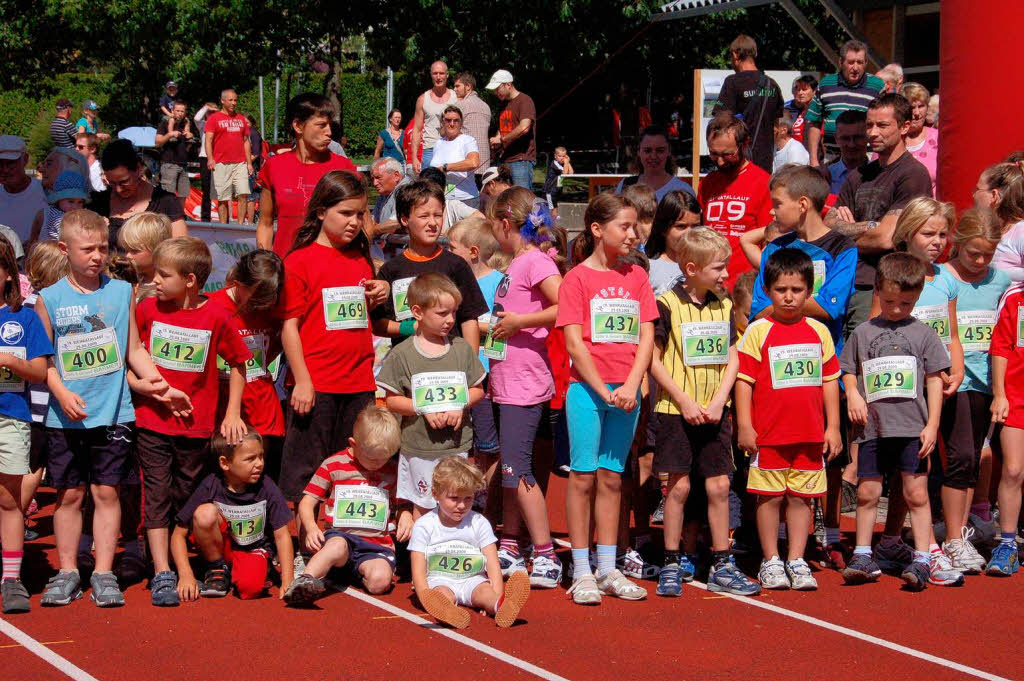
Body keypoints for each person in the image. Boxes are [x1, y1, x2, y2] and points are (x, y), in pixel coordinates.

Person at [35, 209, 191, 608]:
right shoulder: (48, 299)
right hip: (65, 416)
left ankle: (103, 572)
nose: (97, 256)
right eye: (87, 249)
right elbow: (43, 359)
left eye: (103, 248)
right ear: (63, 249)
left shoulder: (122, 292)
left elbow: (134, 351)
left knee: (108, 491)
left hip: (114, 413)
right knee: (69, 494)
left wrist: (162, 386)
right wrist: (61, 392)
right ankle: (68, 569)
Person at [133, 236, 252, 606]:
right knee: (156, 494)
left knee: (186, 496)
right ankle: (162, 570)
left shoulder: (216, 316)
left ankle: (188, 559)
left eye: (163, 274)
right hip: (151, 420)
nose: (155, 280)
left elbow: (238, 363)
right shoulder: (148, 310)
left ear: (189, 280)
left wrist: (232, 411)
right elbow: (131, 356)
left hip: (196, 427)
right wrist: (150, 390)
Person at [649, 227, 760, 597]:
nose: (726, 274)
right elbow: (654, 360)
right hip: (675, 410)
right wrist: (682, 399)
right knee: (677, 488)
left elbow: (732, 357)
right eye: (718, 268)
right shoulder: (666, 305)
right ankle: (670, 559)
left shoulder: (725, 304)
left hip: (715, 412)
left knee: (719, 485)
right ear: (693, 268)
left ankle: (722, 562)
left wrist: (718, 401)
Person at [557, 192, 656, 605]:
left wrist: (632, 385)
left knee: (612, 477)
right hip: (587, 391)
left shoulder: (637, 276)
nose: (634, 234)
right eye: (625, 226)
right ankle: (581, 570)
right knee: (582, 476)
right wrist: (605, 391)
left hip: (626, 394)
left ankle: (608, 566)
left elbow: (647, 335)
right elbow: (575, 345)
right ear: (597, 230)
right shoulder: (576, 279)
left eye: (635, 226)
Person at [279, 171, 387, 542]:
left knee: (350, 469)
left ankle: (344, 542)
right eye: (346, 213)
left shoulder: (361, 260)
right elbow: (289, 326)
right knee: (304, 471)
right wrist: (303, 380)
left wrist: (380, 291)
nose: (355, 222)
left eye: (360, 214)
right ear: (322, 212)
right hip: (317, 385)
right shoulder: (300, 261)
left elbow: (363, 318)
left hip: (358, 383)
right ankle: (294, 545)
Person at [839, 253, 948, 590]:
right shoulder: (864, 332)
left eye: (907, 303)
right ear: (877, 291)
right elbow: (848, 370)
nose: (897, 309)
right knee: (869, 491)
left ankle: (921, 559)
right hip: (873, 428)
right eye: (889, 301)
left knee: (916, 493)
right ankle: (862, 553)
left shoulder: (924, 334)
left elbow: (934, 380)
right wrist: (854, 395)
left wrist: (931, 426)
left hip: (912, 428)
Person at [736, 248, 842, 591]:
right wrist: (745, 425)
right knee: (769, 498)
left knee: (801, 498)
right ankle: (771, 559)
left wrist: (834, 427)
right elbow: (743, 382)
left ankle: (796, 558)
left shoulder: (819, 332)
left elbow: (829, 383)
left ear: (809, 291)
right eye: (781, 290)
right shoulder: (757, 331)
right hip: (769, 435)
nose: (789, 297)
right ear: (768, 291)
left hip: (809, 435)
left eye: (797, 290)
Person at [481, 191, 565, 588]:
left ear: (504, 224)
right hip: (506, 380)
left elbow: (566, 306)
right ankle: (512, 543)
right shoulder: (517, 264)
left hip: (525, 383)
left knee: (519, 467)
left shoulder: (536, 261)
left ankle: (546, 552)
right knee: (512, 468)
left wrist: (519, 323)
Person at [376, 273, 486, 515]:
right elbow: (392, 400)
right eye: (442, 313)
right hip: (418, 449)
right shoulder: (402, 354)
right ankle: (420, 553)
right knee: (423, 506)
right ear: (417, 312)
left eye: (454, 312)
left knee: (456, 505)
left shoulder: (461, 348)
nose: (450, 320)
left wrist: (459, 405)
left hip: (456, 446)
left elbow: (478, 390)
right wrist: (423, 407)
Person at [828, 93, 932, 340]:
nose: (872, 133)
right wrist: (870, 226)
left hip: (881, 285)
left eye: (882, 125)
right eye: (869, 125)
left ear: (905, 126)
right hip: (845, 279)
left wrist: (847, 232)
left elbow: (887, 238)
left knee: (866, 354)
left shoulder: (912, 174)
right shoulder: (859, 174)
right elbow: (828, 223)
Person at [940, 208, 1009, 572]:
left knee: (973, 458)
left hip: (987, 381)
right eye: (973, 254)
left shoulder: (1000, 281)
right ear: (957, 243)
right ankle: (953, 536)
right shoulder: (941, 277)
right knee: (963, 455)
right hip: (953, 381)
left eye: (988, 254)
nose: (981, 261)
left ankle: (959, 530)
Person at [286, 405, 409, 604]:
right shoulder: (333, 464)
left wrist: (406, 516)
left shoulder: (393, 471)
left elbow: (404, 503)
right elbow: (307, 502)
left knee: (380, 583)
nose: (378, 464)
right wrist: (310, 527)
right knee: (335, 546)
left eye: (384, 457)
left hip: (375, 545)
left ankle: (349, 573)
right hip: (341, 536)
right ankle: (304, 581)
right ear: (353, 444)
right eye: (371, 458)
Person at [170, 426, 293, 601]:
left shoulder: (266, 486)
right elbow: (178, 534)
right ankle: (217, 568)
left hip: (253, 551)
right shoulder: (210, 485)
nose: (259, 463)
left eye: (261, 456)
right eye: (250, 459)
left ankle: (257, 569)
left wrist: (288, 579)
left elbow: (282, 535)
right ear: (225, 463)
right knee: (204, 513)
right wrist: (185, 574)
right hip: (223, 549)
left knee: (249, 589)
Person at [409, 456, 530, 629]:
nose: (461, 505)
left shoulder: (479, 522)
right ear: (435, 494)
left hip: (473, 580)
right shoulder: (424, 525)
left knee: (485, 593)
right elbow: (418, 572)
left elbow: (493, 564)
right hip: (439, 579)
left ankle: (502, 606)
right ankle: (447, 612)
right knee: (442, 594)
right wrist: (424, 595)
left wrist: (496, 593)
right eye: (454, 498)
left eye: (468, 498)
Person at [0, 236, 52, 614]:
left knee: (8, 500)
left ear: (7, 274)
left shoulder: (24, 317)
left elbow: (38, 372)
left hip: (11, 417)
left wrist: (8, 361)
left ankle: (12, 579)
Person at [372, 181, 488, 345]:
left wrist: (472, 366)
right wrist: (409, 328)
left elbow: (469, 319)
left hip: (450, 364)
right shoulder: (391, 270)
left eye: (438, 215)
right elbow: (378, 324)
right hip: (408, 365)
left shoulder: (456, 265)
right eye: (424, 216)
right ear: (404, 219)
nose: (433, 223)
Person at [207, 250, 286, 482]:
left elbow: (275, 347)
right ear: (239, 283)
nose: (262, 306)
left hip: (262, 409)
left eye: (269, 300)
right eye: (257, 299)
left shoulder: (272, 310)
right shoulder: (212, 305)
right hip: (221, 411)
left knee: (259, 482)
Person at [256, 93, 358, 257]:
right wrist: (265, 265)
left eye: (329, 125)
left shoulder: (343, 167)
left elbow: (363, 222)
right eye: (321, 125)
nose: (329, 132)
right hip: (286, 267)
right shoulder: (274, 166)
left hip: (331, 268)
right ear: (298, 126)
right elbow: (265, 224)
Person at [698, 113, 773, 287]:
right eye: (714, 154)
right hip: (711, 285)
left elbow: (769, 239)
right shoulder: (707, 183)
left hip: (746, 286)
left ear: (744, 144)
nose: (721, 161)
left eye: (728, 154)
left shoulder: (763, 182)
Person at [987, 268, 1024, 576]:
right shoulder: (1015, 298)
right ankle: (1008, 543)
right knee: (1012, 469)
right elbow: (1000, 347)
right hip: (1016, 397)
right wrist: (1000, 394)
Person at [90, 139, 187, 248]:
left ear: (138, 169)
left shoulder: (166, 202)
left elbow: (180, 252)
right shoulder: (98, 203)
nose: (118, 189)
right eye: (111, 183)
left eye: (124, 182)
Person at [712, 35, 784, 174]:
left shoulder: (732, 82)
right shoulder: (771, 84)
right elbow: (776, 129)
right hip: (765, 164)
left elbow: (721, 123)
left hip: (739, 162)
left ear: (735, 55)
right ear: (755, 54)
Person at [806, 40, 885, 166]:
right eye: (851, 62)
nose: (855, 67)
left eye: (859, 62)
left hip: (866, 157)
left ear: (866, 63)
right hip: (832, 156)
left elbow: (885, 123)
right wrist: (813, 160)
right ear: (841, 62)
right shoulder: (826, 84)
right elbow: (813, 122)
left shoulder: (877, 86)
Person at [205, 89, 253, 225]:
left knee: (243, 193)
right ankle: (223, 226)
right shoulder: (214, 118)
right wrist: (210, 158)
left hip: (240, 163)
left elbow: (246, 141)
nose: (233, 103)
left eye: (235, 100)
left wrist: (249, 163)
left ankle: (240, 226)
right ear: (222, 101)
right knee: (223, 197)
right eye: (230, 100)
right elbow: (208, 140)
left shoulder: (241, 119)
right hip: (221, 162)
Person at [644, 190, 703, 297]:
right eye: (681, 226)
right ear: (663, 228)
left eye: (695, 226)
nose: (689, 233)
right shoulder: (648, 268)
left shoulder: (706, 266)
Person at [615, 126, 696, 202]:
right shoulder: (625, 186)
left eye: (660, 150)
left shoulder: (682, 190)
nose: (653, 156)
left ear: (669, 151)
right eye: (647, 150)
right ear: (639, 152)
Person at [487, 71, 537, 191]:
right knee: (503, 200)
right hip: (504, 160)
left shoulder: (525, 100)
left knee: (521, 201)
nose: (495, 92)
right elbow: (502, 128)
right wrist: (496, 139)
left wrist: (502, 139)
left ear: (508, 84)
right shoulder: (503, 105)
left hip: (521, 160)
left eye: (497, 88)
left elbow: (525, 127)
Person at [429, 105, 481, 207]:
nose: (452, 124)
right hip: (443, 199)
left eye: (456, 121)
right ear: (443, 122)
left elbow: (474, 162)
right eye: (448, 120)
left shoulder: (468, 140)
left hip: (466, 199)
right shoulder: (438, 143)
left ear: (461, 123)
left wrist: (446, 167)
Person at [412, 61, 458, 174]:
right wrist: (414, 158)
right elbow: (417, 130)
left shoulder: (456, 97)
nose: (438, 77)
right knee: (429, 187)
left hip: (452, 147)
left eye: (441, 73)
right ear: (431, 75)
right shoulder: (423, 99)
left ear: (447, 75)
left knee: (451, 187)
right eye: (435, 73)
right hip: (430, 149)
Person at [0, 136, 46, 246]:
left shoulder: (46, 193)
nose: (5, 169)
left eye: (11, 163)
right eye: (0, 163)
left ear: (25, 159)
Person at [119, 211, 171, 301]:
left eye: (135, 251)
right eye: (125, 250)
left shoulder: (168, 289)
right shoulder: (124, 280)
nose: (128, 256)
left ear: (157, 249)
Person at [900, 83, 938, 195]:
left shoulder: (938, 138)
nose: (916, 113)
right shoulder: (892, 138)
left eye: (921, 106)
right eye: (912, 107)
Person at [154, 99, 195, 206]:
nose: (180, 113)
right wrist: (170, 135)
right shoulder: (165, 122)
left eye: (182, 111)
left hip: (183, 165)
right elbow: (157, 143)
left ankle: (179, 217)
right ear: (172, 111)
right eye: (177, 111)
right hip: (169, 164)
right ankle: (166, 219)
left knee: (183, 194)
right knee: (167, 194)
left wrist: (190, 136)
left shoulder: (185, 123)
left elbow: (188, 145)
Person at [454, 73, 492, 175]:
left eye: (457, 86)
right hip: (484, 162)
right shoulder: (486, 106)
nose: (454, 89)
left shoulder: (460, 105)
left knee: (455, 189)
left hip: (466, 162)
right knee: (480, 190)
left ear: (468, 86)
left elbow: (449, 132)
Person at [369, 157, 411, 240]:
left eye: (378, 178)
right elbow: (372, 219)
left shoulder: (407, 190)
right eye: (373, 179)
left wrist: (371, 230)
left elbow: (396, 223)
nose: (374, 183)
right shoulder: (385, 192)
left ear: (396, 176)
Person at [827, 110, 868, 195]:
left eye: (857, 137)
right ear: (836, 139)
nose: (851, 144)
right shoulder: (826, 177)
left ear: (868, 137)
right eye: (845, 138)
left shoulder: (881, 175)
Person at [43, 171, 91, 241]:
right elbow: (72, 238)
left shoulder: (63, 213)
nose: (75, 206)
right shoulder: (59, 217)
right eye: (71, 201)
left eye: (80, 202)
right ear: (58, 199)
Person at [194, 102, 218, 222]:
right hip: (204, 158)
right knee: (206, 189)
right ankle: (205, 217)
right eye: (209, 113)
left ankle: (224, 217)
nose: (211, 115)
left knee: (222, 189)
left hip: (219, 159)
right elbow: (196, 118)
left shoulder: (220, 125)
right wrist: (206, 107)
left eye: (214, 113)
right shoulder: (203, 125)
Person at [784, 75, 818, 144]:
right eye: (798, 89)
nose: (800, 93)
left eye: (804, 89)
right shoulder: (786, 108)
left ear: (814, 91)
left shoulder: (818, 111)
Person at [543, 146, 573, 214]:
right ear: (555, 156)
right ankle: (550, 223)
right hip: (550, 191)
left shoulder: (563, 165)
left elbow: (571, 173)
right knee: (551, 209)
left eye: (563, 156)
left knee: (555, 207)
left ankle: (554, 222)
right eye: (559, 156)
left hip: (556, 190)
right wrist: (566, 163)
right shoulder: (555, 163)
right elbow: (564, 174)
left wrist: (568, 162)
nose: (562, 158)